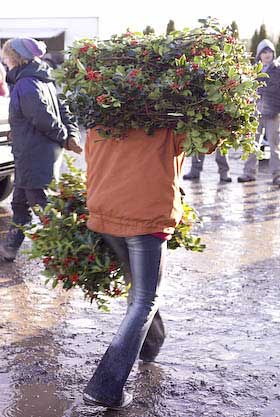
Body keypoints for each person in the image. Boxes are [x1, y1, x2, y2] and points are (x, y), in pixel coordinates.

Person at [83, 127, 190, 410]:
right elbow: (206, 143)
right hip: (145, 216)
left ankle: (152, 344)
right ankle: (105, 387)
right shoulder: (168, 122)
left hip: (105, 211)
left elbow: (90, 157)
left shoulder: (101, 118)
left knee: (140, 288)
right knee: (145, 298)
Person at [0, 38, 82, 262]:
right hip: (34, 152)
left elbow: (41, 118)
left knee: (41, 205)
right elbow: (61, 109)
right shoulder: (42, 79)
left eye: (6, 56)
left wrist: (65, 137)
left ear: (15, 58)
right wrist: (68, 134)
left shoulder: (27, 83)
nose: (4, 60)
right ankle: (10, 248)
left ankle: (67, 254)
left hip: (33, 154)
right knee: (19, 202)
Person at [238, 39, 280, 184]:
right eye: (264, 52)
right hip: (255, 114)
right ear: (259, 55)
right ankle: (249, 173)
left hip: (273, 114)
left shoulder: (278, 70)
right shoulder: (254, 71)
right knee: (251, 144)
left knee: (274, 146)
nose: (267, 55)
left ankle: (277, 175)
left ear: (273, 54)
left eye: (269, 52)